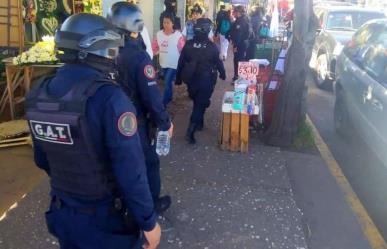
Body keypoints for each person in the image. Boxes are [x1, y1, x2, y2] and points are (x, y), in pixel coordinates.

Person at [25, 13, 161, 249]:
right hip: (105, 221)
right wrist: (149, 222)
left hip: (63, 213)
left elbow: (42, 159)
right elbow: (131, 171)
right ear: (97, 48)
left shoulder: (38, 93)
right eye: (111, 48)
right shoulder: (109, 98)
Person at [108, 2, 173, 214]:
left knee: (116, 162)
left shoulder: (104, 51)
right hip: (134, 121)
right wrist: (165, 122)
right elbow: (151, 96)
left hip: (107, 117)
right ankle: (150, 206)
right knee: (148, 163)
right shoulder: (138, 57)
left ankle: (119, 201)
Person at [176, 18, 226, 144]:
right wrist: (223, 74)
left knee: (199, 101)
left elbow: (181, 62)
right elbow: (218, 63)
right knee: (200, 104)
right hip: (206, 80)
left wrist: (178, 78)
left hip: (191, 81)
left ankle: (199, 123)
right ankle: (191, 130)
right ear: (207, 30)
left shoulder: (188, 44)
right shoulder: (211, 47)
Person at [152, 13, 185, 107]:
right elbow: (154, 47)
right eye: (164, 22)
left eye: (168, 22)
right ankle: (169, 96)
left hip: (174, 64)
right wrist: (152, 54)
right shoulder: (158, 34)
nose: (165, 24)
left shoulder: (178, 35)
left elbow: (182, 49)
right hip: (163, 63)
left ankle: (164, 102)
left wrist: (184, 62)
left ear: (172, 23)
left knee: (167, 81)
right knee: (167, 82)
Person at [229, 5, 252, 81]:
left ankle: (238, 78)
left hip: (240, 44)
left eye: (234, 12)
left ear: (238, 12)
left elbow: (238, 35)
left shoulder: (241, 21)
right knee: (240, 60)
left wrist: (235, 46)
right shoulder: (243, 19)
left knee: (238, 61)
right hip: (243, 43)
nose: (233, 13)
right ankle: (238, 77)